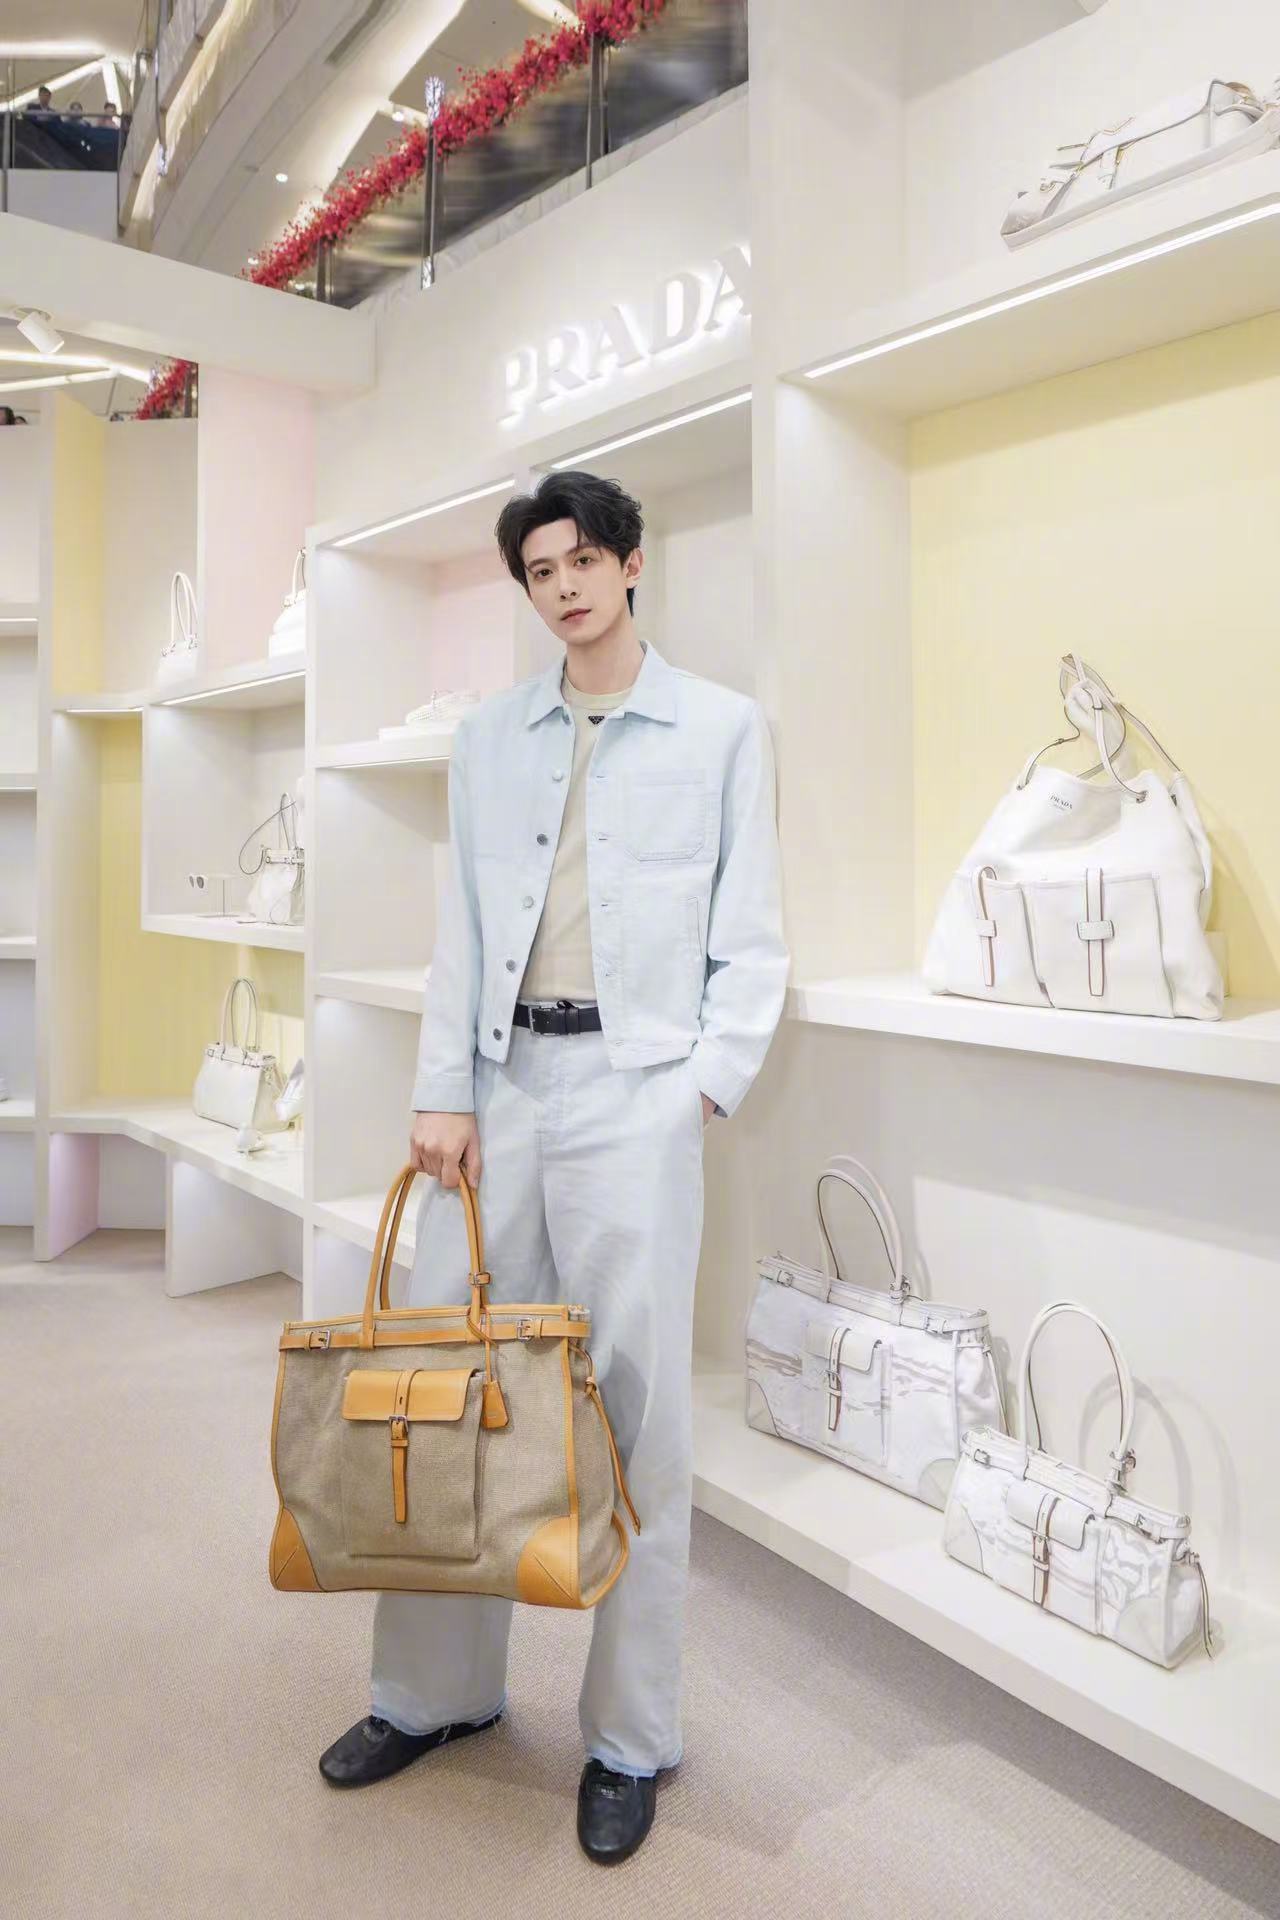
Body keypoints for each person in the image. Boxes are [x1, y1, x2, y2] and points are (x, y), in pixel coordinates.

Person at [318, 470, 789, 1863]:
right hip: (501, 1088)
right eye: (540, 570)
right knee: (451, 1386)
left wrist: (697, 1092)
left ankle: (631, 1739)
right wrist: (442, 1089)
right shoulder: (489, 739)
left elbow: (752, 935)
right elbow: (461, 927)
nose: (565, 586)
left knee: (634, 1414)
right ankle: (432, 1695)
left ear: (632, 564)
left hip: (638, 1094)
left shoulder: (721, 730)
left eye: (584, 559)